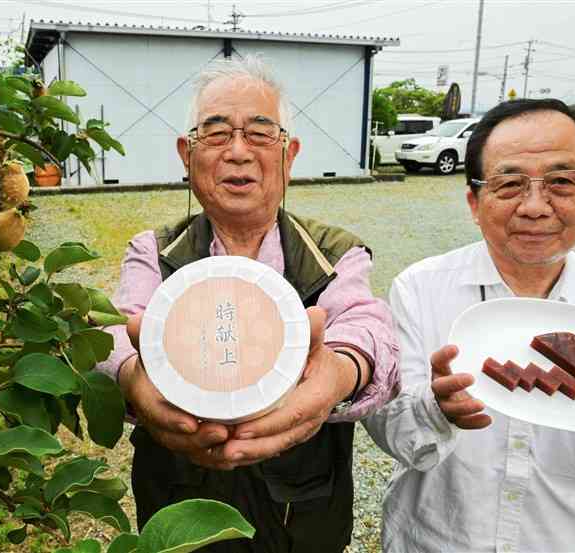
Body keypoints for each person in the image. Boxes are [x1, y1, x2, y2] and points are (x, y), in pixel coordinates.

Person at [95, 56, 399, 552]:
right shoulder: (154, 249)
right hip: (179, 506)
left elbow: (367, 325)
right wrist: (132, 376)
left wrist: (340, 372)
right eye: (215, 135)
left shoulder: (335, 252)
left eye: (260, 134)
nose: (238, 152)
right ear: (186, 154)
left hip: (303, 510)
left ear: (289, 154)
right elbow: (116, 328)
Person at [364, 98, 575, 553]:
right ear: (474, 201)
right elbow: (397, 437)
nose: (535, 206)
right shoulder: (421, 288)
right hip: (432, 541)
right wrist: (437, 409)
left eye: (561, 181)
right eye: (510, 183)